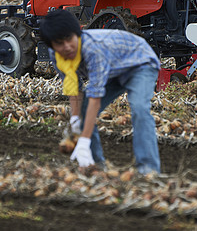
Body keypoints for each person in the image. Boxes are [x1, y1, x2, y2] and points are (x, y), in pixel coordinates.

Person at [40, 9, 161, 174]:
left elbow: (95, 99)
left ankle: (149, 170)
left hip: (140, 63)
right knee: (83, 112)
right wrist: (76, 121)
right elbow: (74, 87)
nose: (66, 46)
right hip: (114, 70)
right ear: (52, 45)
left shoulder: (93, 50)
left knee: (139, 108)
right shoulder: (56, 55)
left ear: (77, 34)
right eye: (59, 43)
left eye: (69, 39)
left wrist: (83, 140)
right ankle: (96, 166)